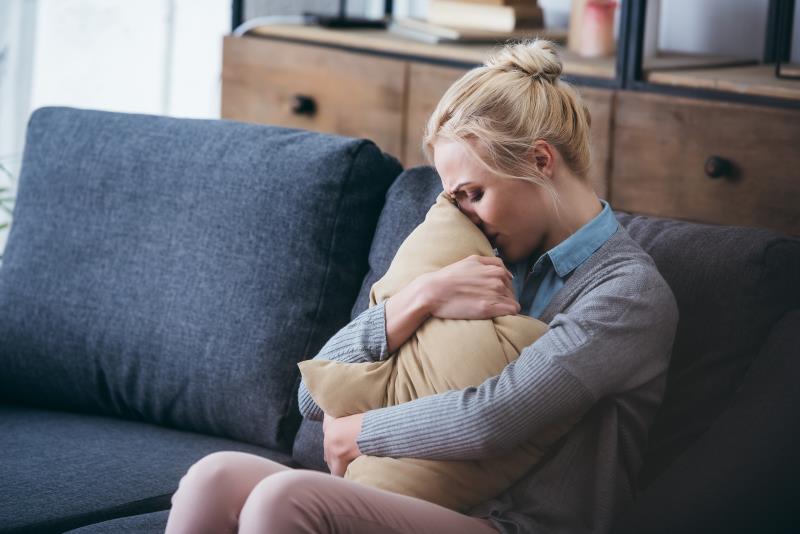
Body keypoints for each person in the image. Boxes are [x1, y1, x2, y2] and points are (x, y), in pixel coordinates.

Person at [164, 39, 679, 534]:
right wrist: (421, 297)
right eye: (456, 201)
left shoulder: (626, 295)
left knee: (284, 498)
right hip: (412, 498)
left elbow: (494, 418)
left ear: (540, 161)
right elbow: (313, 398)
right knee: (217, 476)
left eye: (473, 194)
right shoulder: (476, 257)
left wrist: (361, 434)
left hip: (514, 522)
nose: (466, 215)